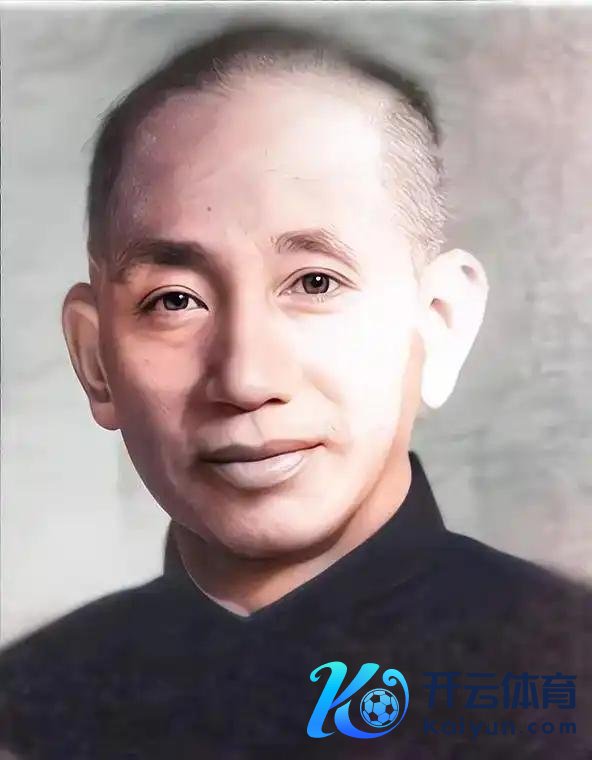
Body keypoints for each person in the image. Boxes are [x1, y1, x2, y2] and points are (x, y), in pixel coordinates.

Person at [1, 24, 590, 760]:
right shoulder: (24, 713)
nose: (246, 379)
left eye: (315, 283)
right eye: (175, 300)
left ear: (439, 324)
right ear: (95, 360)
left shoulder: (572, 679)